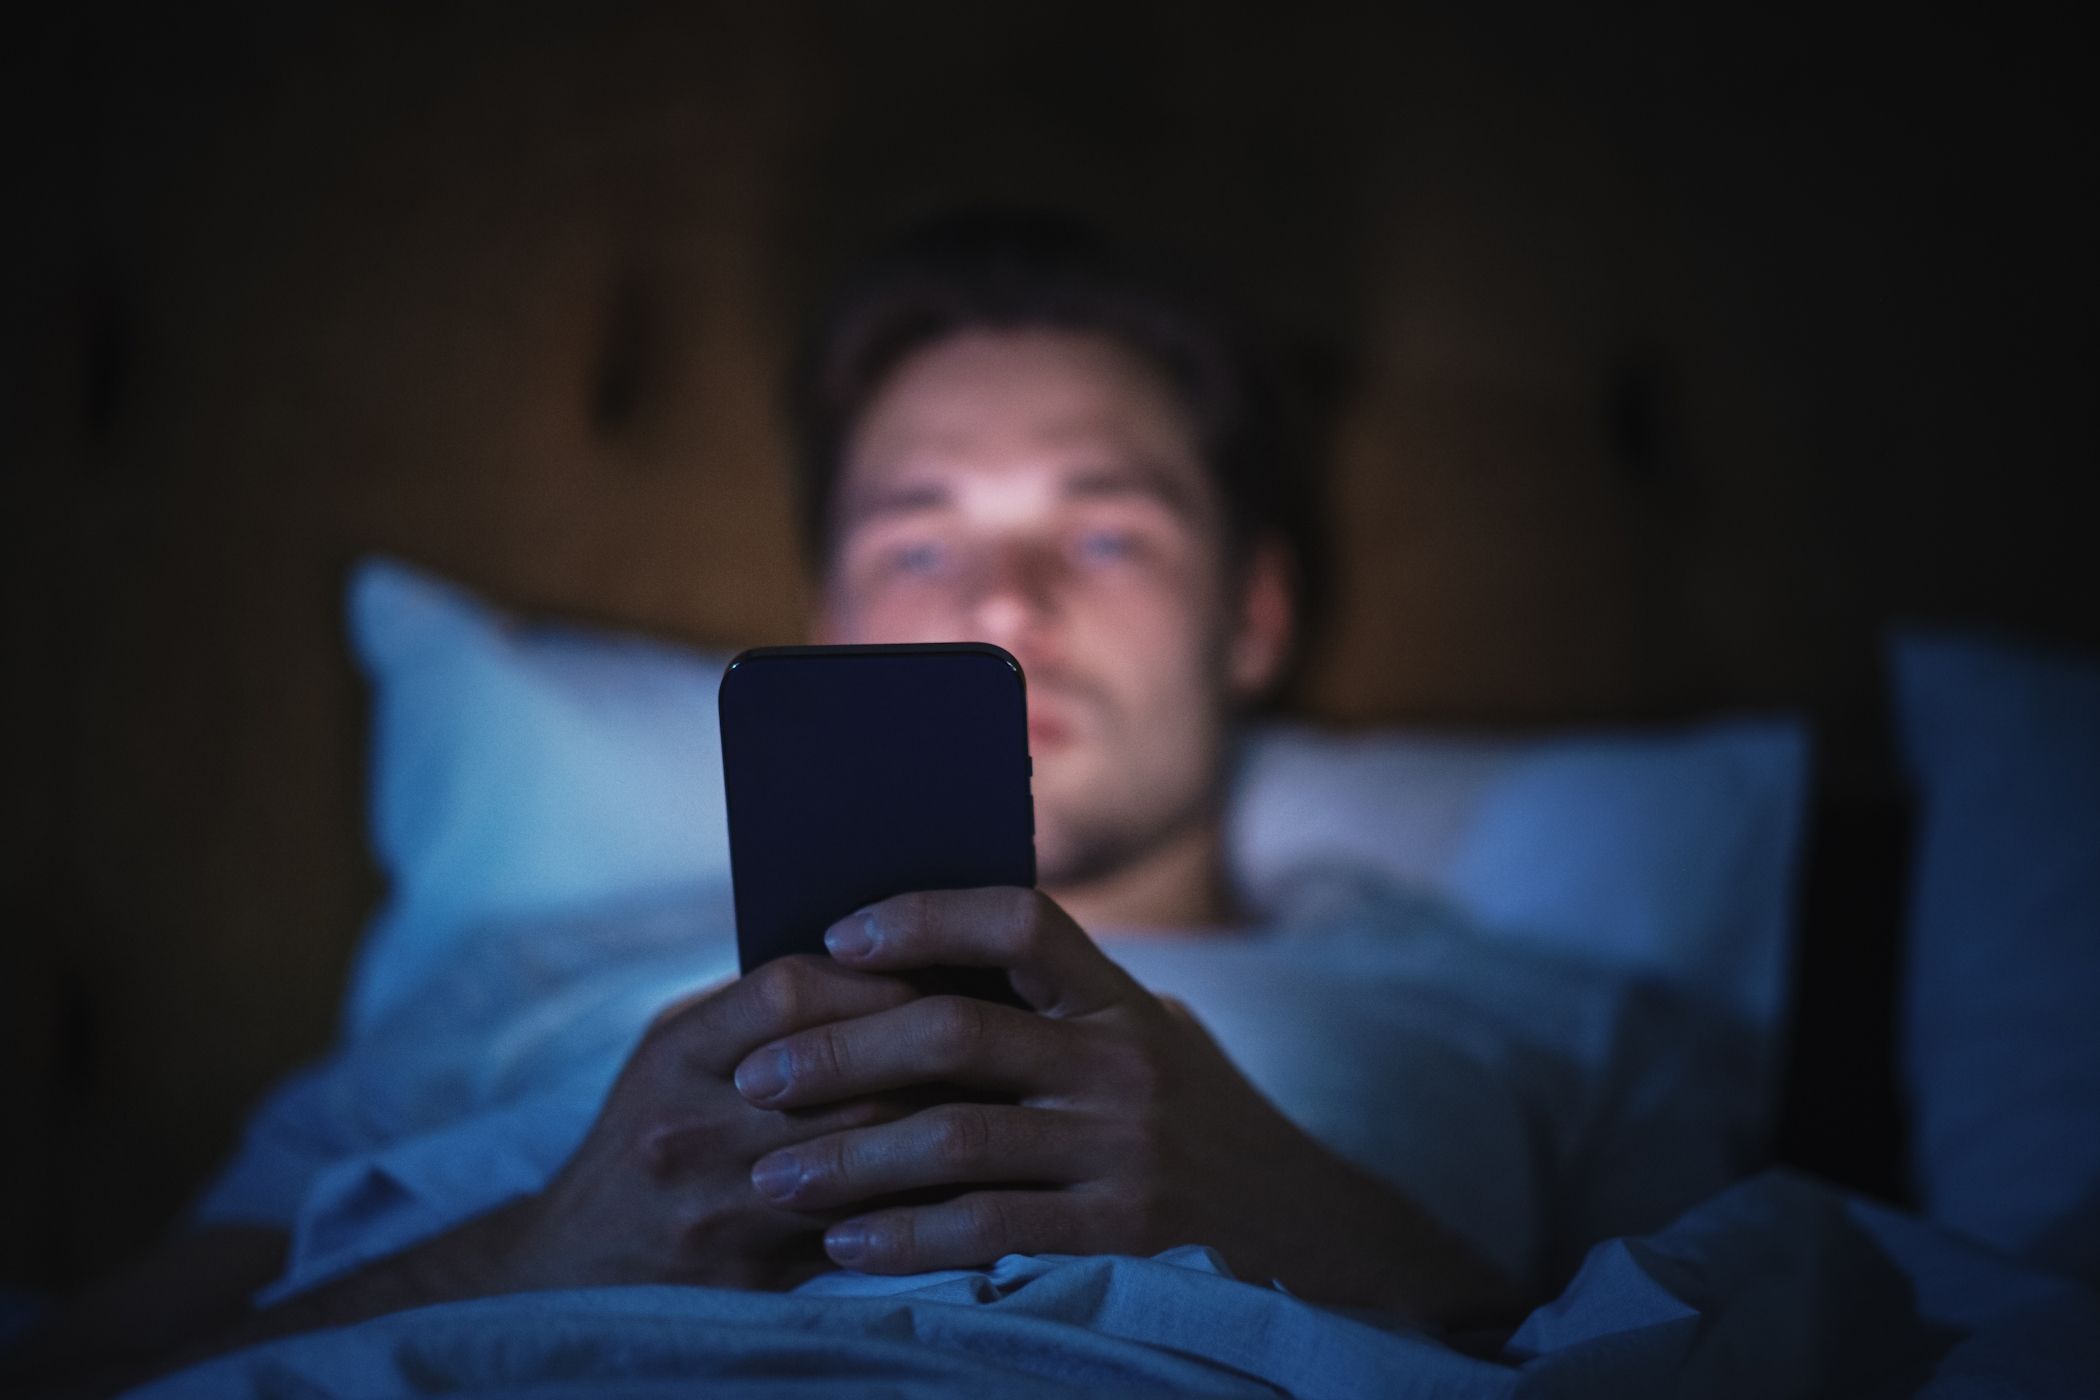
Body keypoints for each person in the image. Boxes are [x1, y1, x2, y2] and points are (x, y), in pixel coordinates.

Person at [6, 212, 1740, 1395]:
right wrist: (537, 1250)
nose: (1007, 600)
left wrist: (1330, 1239)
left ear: (1257, 613)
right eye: (922, 533)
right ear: (833, 617)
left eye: (1109, 529)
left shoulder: (1553, 1020)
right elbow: (92, 1371)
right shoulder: (519, 986)